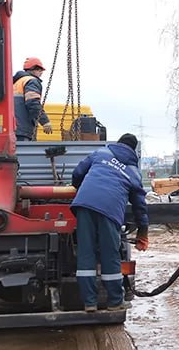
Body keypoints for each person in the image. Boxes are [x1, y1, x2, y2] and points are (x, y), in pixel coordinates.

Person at [71, 133, 149, 311]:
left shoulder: (101, 153)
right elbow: (140, 205)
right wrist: (143, 230)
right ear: (133, 150)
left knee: (85, 253)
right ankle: (114, 302)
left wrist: (80, 187)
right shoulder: (133, 172)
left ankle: (89, 303)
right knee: (110, 254)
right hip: (109, 209)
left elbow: (78, 173)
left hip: (84, 204)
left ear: (118, 144)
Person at [13, 57, 52, 141]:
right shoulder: (31, 81)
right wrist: (45, 121)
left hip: (13, 128)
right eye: (40, 70)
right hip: (23, 129)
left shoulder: (16, 83)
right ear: (34, 69)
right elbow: (33, 102)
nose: (41, 73)